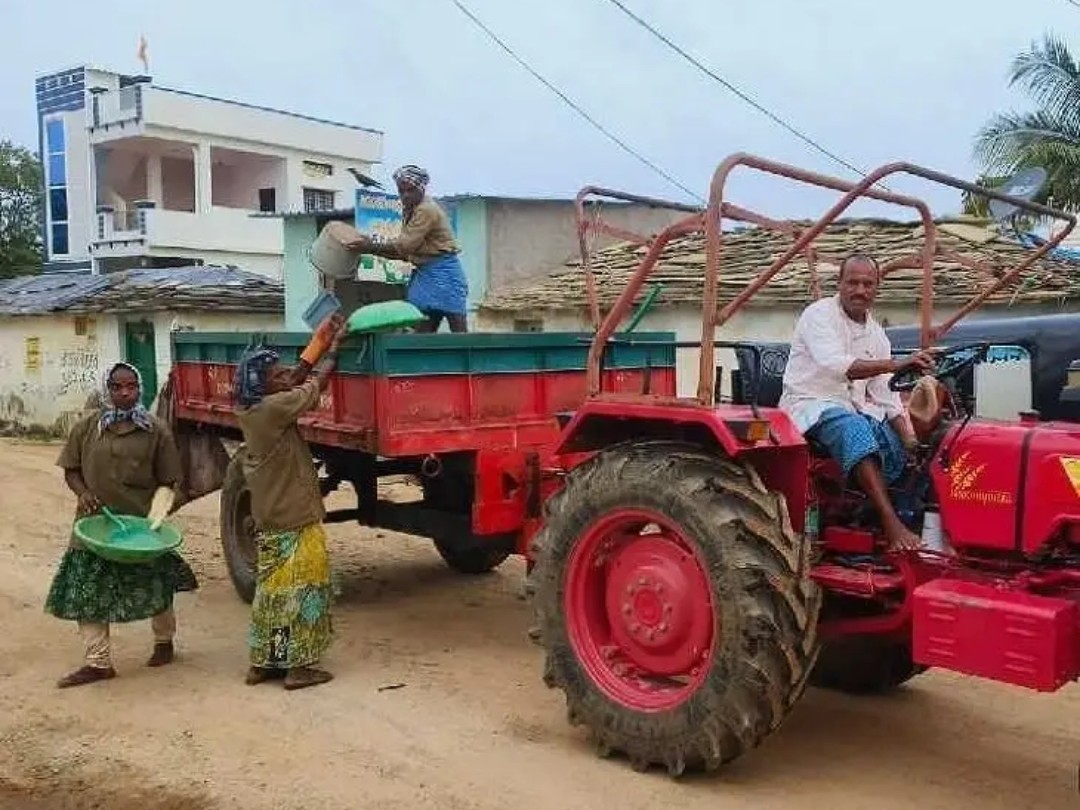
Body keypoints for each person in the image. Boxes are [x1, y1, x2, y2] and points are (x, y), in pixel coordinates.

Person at [45, 362, 196, 688]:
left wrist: (156, 517)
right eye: (117, 387)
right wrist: (83, 493)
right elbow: (71, 469)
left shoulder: (156, 430)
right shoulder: (87, 427)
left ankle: (163, 642)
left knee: (157, 586)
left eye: (132, 386)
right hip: (93, 527)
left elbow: (170, 481)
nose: (125, 393)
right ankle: (98, 662)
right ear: (107, 390)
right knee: (86, 591)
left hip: (140, 530)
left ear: (140, 389)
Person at [778, 254, 937, 552]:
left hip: (851, 408)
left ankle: (904, 519)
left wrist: (911, 442)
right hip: (810, 405)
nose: (860, 290)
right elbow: (837, 364)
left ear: (877, 288)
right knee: (856, 431)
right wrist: (896, 364)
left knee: (907, 446)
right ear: (839, 284)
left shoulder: (876, 333)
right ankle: (892, 527)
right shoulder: (818, 315)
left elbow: (886, 396)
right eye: (852, 282)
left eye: (867, 284)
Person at [233, 316, 348, 690]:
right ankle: (299, 667)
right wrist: (334, 350)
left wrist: (318, 340)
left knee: (274, 592)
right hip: (293, 518)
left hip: (271, 516)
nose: (284, 375)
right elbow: (312, 387)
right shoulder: (272, 410)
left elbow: (294, 379)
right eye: (275, 374)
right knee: (303, 590)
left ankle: (266, 662)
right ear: (263, 384)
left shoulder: (254, 407)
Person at [346, 165, 469, 333]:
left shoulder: (426, 210)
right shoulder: (410, 211)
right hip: (425, 275)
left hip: (444, 272)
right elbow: (405, 253)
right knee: (421, 330)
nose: (405, 196)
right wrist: (368, 249)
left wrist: (369, 246)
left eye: (410, 191)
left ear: (421, 189)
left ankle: (471, 356)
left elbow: (403, 247)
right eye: (401, 191)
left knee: (458, 329)